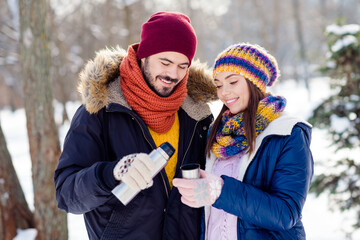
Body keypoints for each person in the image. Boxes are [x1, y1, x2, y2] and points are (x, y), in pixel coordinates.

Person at [54, 11, 217, 240]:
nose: (173, 74)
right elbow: (66, 194)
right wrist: (112, 173)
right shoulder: (101, 110)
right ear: (144, 56)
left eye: (183, 66)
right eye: (165, 62)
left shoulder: (197, 115)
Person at [173, 43, 314, 239]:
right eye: (219, 85)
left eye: (233, 82)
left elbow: (285, 213)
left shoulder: (287, 133)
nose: (224, 93)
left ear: (254, 82)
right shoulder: (217, 135)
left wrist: (221, 192)